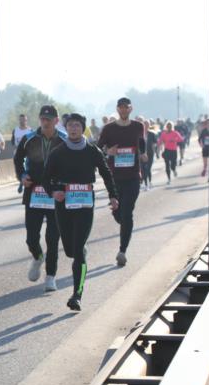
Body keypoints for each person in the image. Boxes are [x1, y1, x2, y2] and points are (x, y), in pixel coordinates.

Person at [43, 114, 118, 311]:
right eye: (70, 125)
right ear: (66, 128)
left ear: (83, 128)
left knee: (77, 252)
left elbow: (106, 173)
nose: (73, 128)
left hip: (85, 203)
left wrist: (113, 196)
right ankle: (79, 250)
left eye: (77, 125)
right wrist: (54, 191)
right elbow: (45, 177)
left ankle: (77, 294)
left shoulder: (92, 151)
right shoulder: (58, 152)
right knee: (69, 249)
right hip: (64, 203)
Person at [14, 104, 63, 291]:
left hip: (55, 194)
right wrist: (22, 176)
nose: (45, 122)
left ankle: (50, 277)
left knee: (53, 238)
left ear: (56, 121)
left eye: (49, 119)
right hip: (34, 192)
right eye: (43, 119)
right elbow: (17, 159)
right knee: (31, 238)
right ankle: (37, 257)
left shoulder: (64, 140)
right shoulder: (29, 138)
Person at [97, 96, 144, 267]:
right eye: (121, 107)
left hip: (133, 177)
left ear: (130, 109)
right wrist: (108, 152)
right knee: (120, 215)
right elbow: (98, 149)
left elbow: (141, 142)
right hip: (114, 178)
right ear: (117, 109)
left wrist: (143, 153)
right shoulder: (109, 129)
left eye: (126, 107)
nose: (124, 110)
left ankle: (122, 251)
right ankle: (122, 221)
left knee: (127, 212)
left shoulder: (138, 126)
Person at [141, 118, 158, 190]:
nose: (146, 126)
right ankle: (146, 184)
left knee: (148, 168)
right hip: (142, 154)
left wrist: (155, 152)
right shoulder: (139, 134)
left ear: (149, 125)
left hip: (150, 154)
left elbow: (155, 143)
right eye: (145, 124)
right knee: (143, 169)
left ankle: (149, 182)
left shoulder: (152, 133)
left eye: (147, 124)